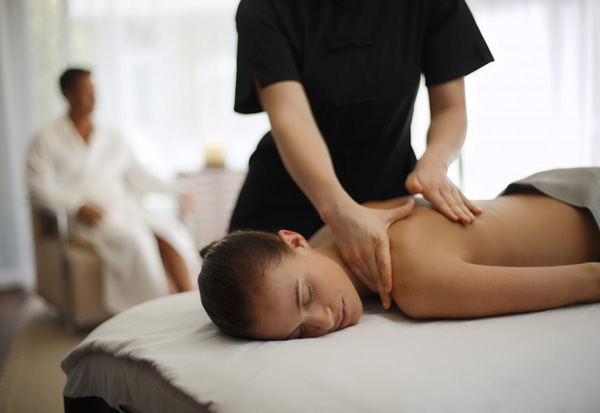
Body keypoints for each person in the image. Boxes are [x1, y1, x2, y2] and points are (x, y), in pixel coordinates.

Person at [228, 0, 495, 308]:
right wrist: (339, 211)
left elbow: (451, 108)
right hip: (284, 207)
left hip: (389, 196)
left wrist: (434, 163)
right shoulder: (264, 8)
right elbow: (290, 116)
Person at [200, 168, 600, 340]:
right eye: (299, 332)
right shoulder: (337, 230)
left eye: (305, 296)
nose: (323, 320)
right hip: (549, 188)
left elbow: (590, 280)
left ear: (295, 241)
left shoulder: (412, 280)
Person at [26, 68, 200, 314]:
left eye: (94, 91)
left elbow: (139, 174)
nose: (93, 98)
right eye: (86, 92)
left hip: (124, 207)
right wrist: (77, 206)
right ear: (68, 94)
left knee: (173, 232)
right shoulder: (45, 139)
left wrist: (176, 190)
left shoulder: (112, 137)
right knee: (137, 242)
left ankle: (191, 304)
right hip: (87, 218)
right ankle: (152, 312)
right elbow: (37, 189)